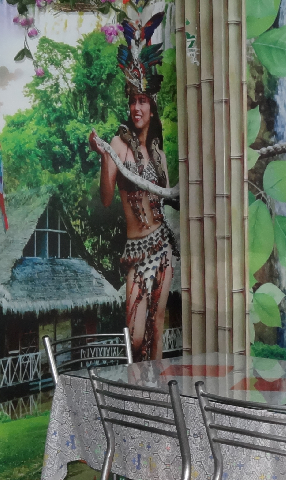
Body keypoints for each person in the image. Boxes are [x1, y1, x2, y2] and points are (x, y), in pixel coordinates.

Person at [88, 14, 177, 361]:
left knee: (157, 328)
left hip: (162, 247)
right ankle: (136, 389)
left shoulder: (159, 155)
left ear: (152, 107)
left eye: (142, 101)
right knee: (136, 337)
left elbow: (166, 200)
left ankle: (155, 394)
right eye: (132, 101)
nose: (136, 107)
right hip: (136, 250)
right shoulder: (117, 145)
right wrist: (104, 157)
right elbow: (106, 198)